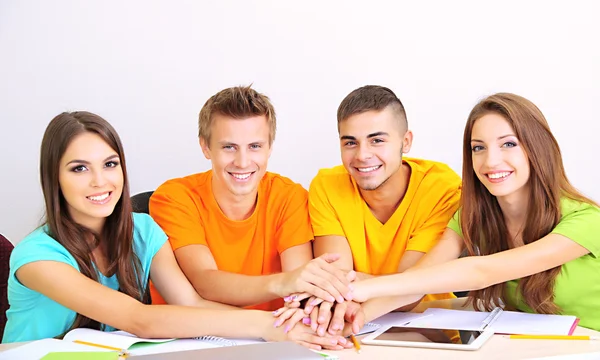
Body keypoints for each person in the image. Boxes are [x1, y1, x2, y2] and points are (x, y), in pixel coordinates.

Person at [2, 111, 348, 350]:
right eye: (79, 169)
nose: (99, 181)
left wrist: (287, 325)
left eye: (110, 164)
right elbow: (140, 320)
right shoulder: (36, 256)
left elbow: (191, 302)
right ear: (54, 177)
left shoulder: (143, 231)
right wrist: (265, 326)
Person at [348, 93, 600, 331]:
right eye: (478, 148)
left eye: (508, 144)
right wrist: (355, 321)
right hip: (543, 347)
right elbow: (420, 280)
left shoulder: (587, 219)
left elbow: (481, 272)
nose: (490, 161)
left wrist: (369, 286)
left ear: (537, 149)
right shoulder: (474, 216)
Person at [148, 86, 353, 313]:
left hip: (273, 335)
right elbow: (205, 282)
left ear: (269, 148)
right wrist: (283, 283)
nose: (243, 162)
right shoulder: (174, 198)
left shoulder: (289, 197)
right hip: (194, 337)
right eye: (229, 147)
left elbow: (300, 289)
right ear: (205, 147)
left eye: (255, 146)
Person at [297, 85, 461, 335]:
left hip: (428, 328)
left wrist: (356, 288)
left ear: (405, 142)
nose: (362, 155)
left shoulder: (441, 187)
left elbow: (410, 292)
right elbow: (336, 282)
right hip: (350, 328)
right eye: (350, 142)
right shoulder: (327, 185)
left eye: (377, 140)